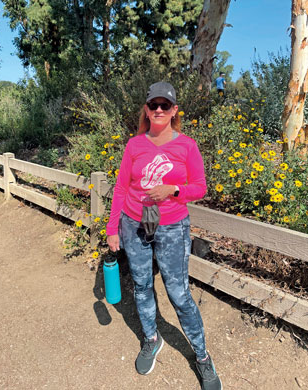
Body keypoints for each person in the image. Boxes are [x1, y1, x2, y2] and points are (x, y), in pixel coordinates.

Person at [106, 81, 222, 390]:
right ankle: (151, 339)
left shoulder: (187, 145)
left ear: (174, 111)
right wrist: (112, 228)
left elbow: (200, 187)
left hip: (171, 226)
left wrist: (173, 189)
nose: (159, 110)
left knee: (179, 293)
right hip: (134, 222)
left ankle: (202, 356)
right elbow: (120, 189)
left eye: (165, 105)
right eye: (153, 105)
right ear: (146, 109)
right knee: (142, 286)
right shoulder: (134, 145)